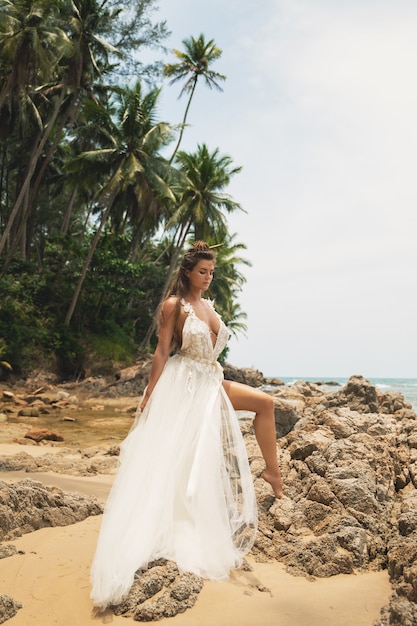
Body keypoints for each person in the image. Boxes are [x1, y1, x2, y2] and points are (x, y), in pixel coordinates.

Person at [90, 241, 283, 611]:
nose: (208, 278)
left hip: (212, 379)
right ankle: (184, 527)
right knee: (185, 463)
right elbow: (162, 351)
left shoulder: (208, 306)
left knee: (266, 403)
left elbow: (212, 354)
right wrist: (149, 394)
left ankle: (273, 473)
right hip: (186, 386)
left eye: (212, 273)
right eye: (202, 272)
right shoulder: (173, 306)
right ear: (188, 272)